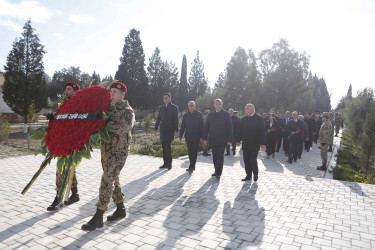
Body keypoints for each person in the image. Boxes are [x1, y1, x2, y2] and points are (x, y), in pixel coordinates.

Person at [82, 82, 135, 231]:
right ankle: (120, 209)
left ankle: (98, 216)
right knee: (113, 179)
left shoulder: (127, 111)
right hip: (106, 151)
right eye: (111, 92)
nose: (112, 95)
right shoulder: (108, 109)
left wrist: (105, 122)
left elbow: (124, 127)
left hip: (119, 153)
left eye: (115, 92)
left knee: (107, 179)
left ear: (122, 94)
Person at [47, 82, 81, 211]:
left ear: (76, 91)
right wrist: (53, 117)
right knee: (70, 167)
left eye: (69, 89)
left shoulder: (80, 104)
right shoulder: (65, 104)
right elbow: (62, 119)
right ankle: (75, 194)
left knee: (61, 169)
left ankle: (58, 198)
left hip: (72, 141)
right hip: (63, 140)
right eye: (66, 89)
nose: (66, 91)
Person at [203, 99, 232, 179]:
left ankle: (219, 173)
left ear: (222, 104)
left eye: (219, 104)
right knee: (214, 156)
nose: (218, 105)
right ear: (214, 105)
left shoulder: (226, 114)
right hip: (213, 139)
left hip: (223, 140)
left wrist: (229, 139)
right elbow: (206, 127)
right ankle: (216, 171)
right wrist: (204, 138)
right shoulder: (211, 115)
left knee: (220, 156)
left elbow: (229, 127)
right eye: (217, 104)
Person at [236, 104, 265, 182]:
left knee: (252, 160)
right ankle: (248, 176)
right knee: (246, 161)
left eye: (247, 109)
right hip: (245, 143)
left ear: (252, 109)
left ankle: (255, 174)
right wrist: (238, 140)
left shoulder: (259, 119)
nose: (245, 111)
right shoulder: (243, 119)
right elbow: (240, 131)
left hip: (255, 144)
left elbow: (262, 132)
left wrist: (262, 143)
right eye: (245, 109)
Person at [154, 93, 179, 170]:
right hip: (163, 130)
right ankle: (165, 163)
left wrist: (176, 130)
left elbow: (176, 120)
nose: (165, 99)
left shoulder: (174, 107)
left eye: (167, 98)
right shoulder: (161, 108)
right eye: (164, 98)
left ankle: (169, 164)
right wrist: (155, 128)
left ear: (170, 98)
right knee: (164, 147)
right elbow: (158, 119)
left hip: (170, 130)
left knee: (168, 147)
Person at [179, 101, 204, 174]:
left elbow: (202, 126)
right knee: (190, 152)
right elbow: (183, 126)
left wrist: (202, 136)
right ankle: (191, 165)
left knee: (194, 151)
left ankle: (192, 166)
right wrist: (180, 135)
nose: (191, 106)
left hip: (196, 137)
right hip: (188, 136)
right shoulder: (186, 115)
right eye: (189, 105)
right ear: (188, 106)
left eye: (192, 105)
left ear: (194, 106)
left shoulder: (199, 114)